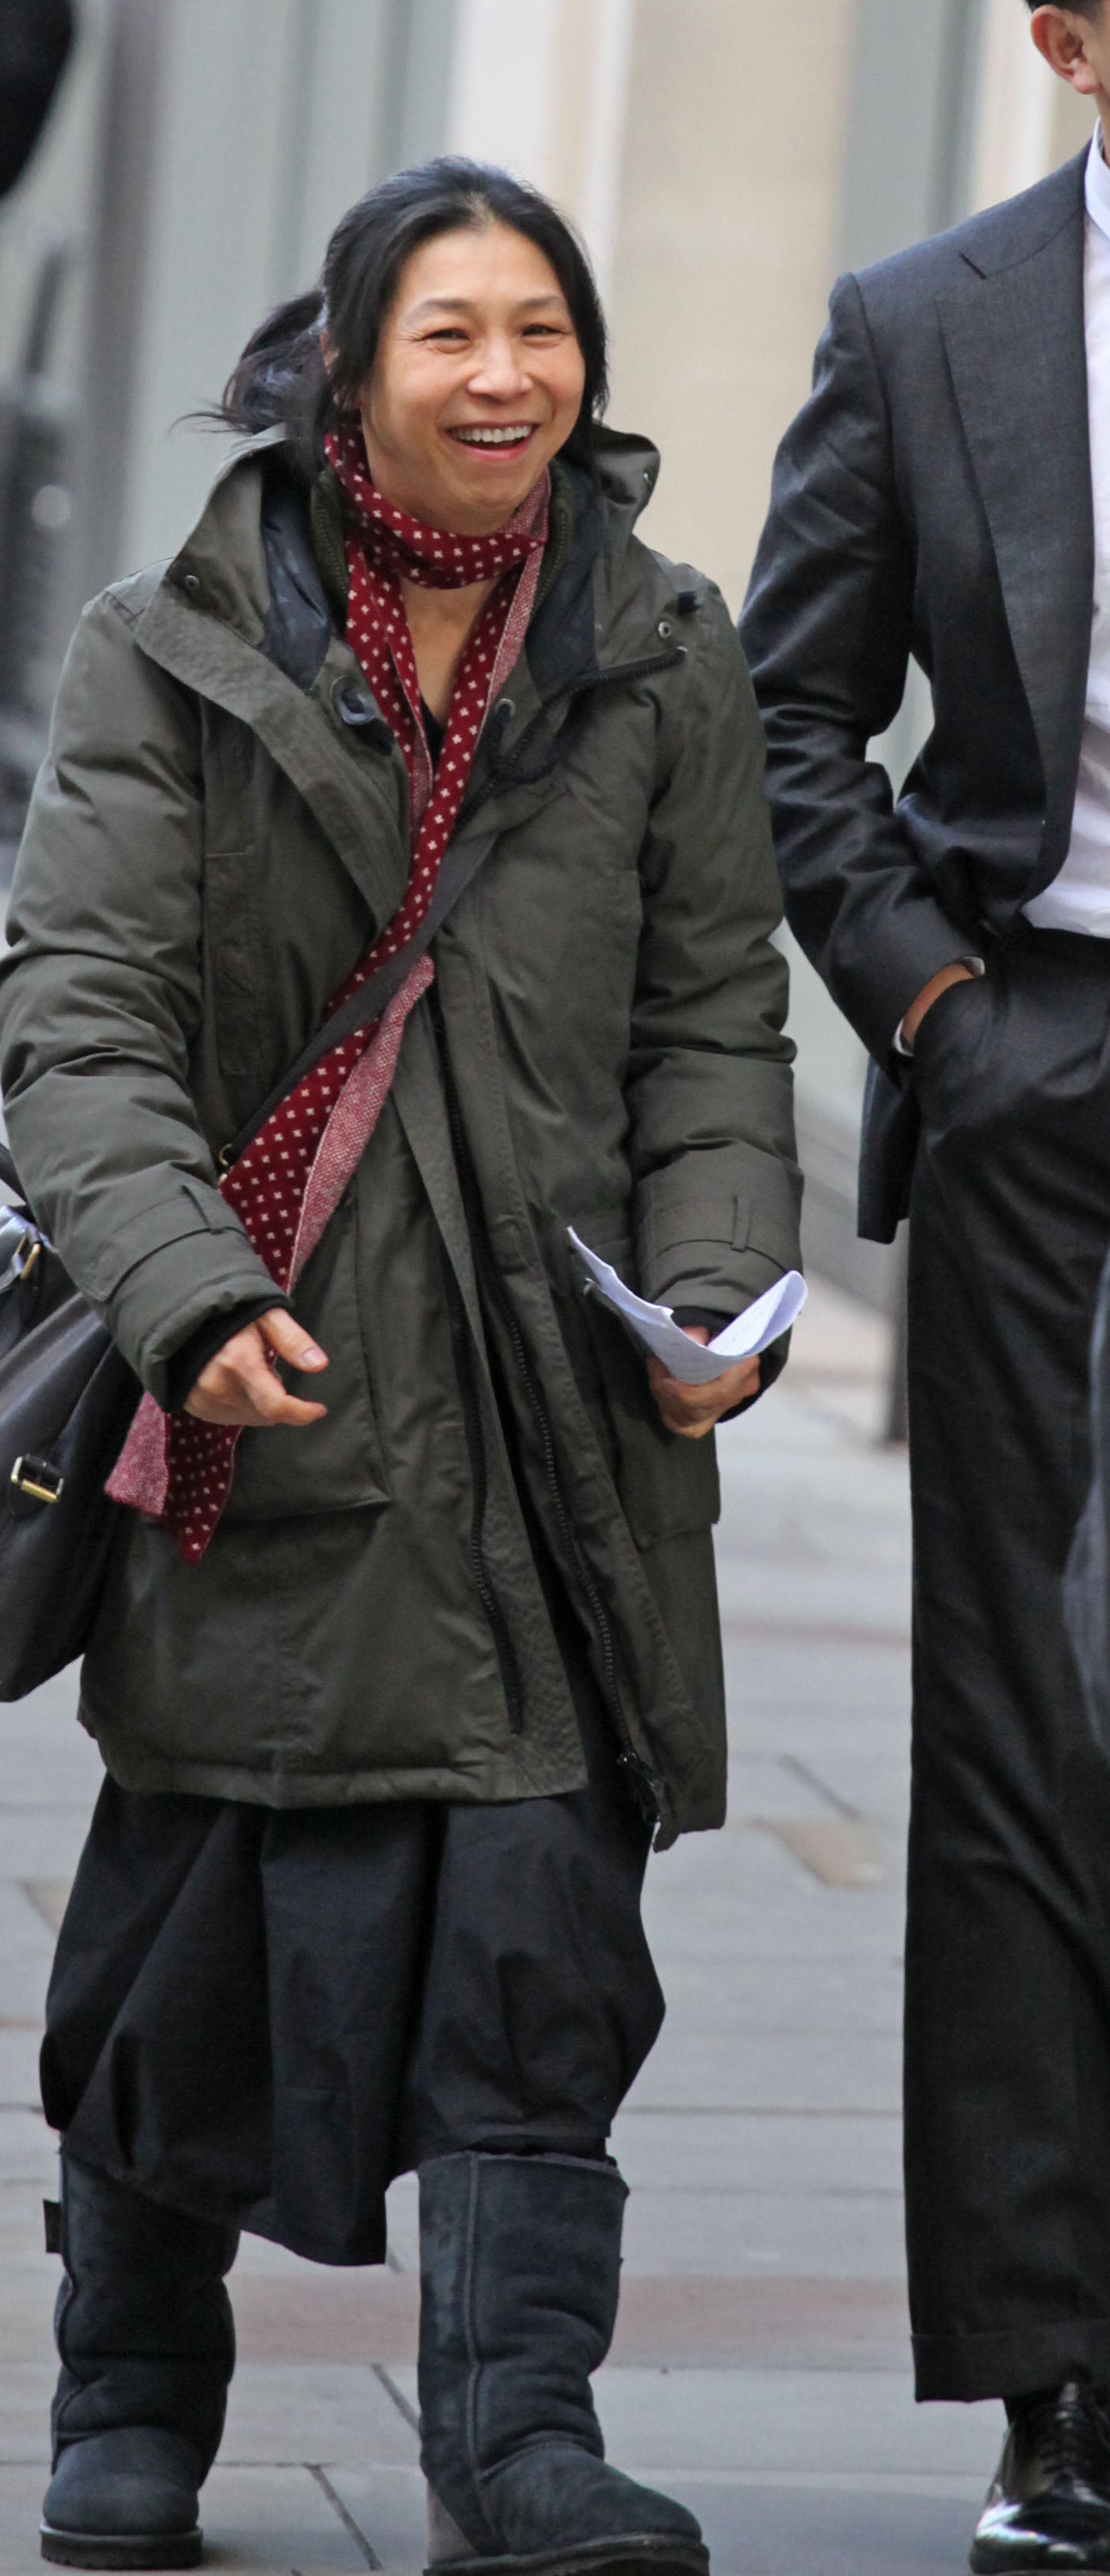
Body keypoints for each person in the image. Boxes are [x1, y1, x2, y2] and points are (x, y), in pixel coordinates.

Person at [0, 156, 801, 2576]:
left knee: (544, 1944)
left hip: (563, 1427)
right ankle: (130, 2397)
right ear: (349, 366)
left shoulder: (656, 644)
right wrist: (176, 1290)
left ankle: (517, 2443)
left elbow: (713, 1020)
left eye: (540, 329)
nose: (504, 377)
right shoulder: (179, 644)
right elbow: (82, 1020)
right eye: (448, 331)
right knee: (190, 1932)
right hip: (276, 1393)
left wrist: (721, 1290)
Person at [740, 7, 1110, 2568]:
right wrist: (940, 1017)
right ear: (1066, 35)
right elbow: (789, 720)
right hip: (1048, 1059)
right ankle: (1055, 2379)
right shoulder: (928, 316)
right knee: (1025, 1715)